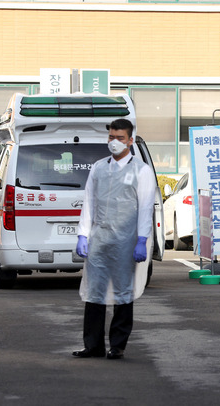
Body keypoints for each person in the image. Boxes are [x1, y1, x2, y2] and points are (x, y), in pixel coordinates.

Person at [72, 118, 156, 360]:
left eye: (120, 138)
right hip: (99, 238)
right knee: (94, 292)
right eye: (111, 137)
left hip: (126, 240)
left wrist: (142, 239)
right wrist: (83, 234)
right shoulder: (98, 168)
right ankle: (93, 345)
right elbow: (88, 203)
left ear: (130, 140)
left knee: (123, 292)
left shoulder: (142, 171)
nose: (114, 142)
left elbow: (145, 207)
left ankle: (117, 345)